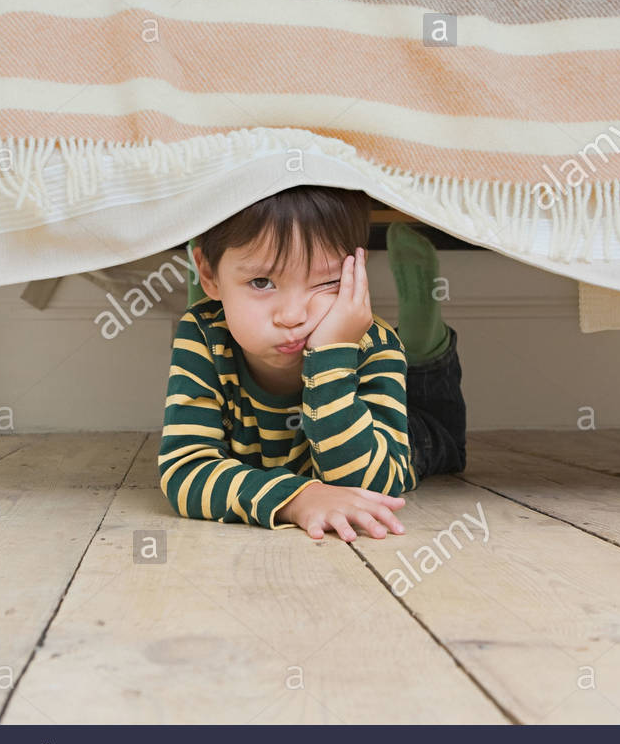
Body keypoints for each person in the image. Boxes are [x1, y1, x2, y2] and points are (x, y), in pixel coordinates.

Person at [158, 185, 466, 542]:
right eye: (261, 281)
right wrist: (298, 499)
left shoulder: (375, 346)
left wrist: (331, 356)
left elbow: (365, 488)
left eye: (327, 282)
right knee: (216, 322)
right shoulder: (201, 335)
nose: (293, 316)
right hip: (221, 314)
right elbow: (185, 471)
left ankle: (423, 332)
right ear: (209, 274)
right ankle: (225, 296)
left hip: (393, 434)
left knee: (439, 437)